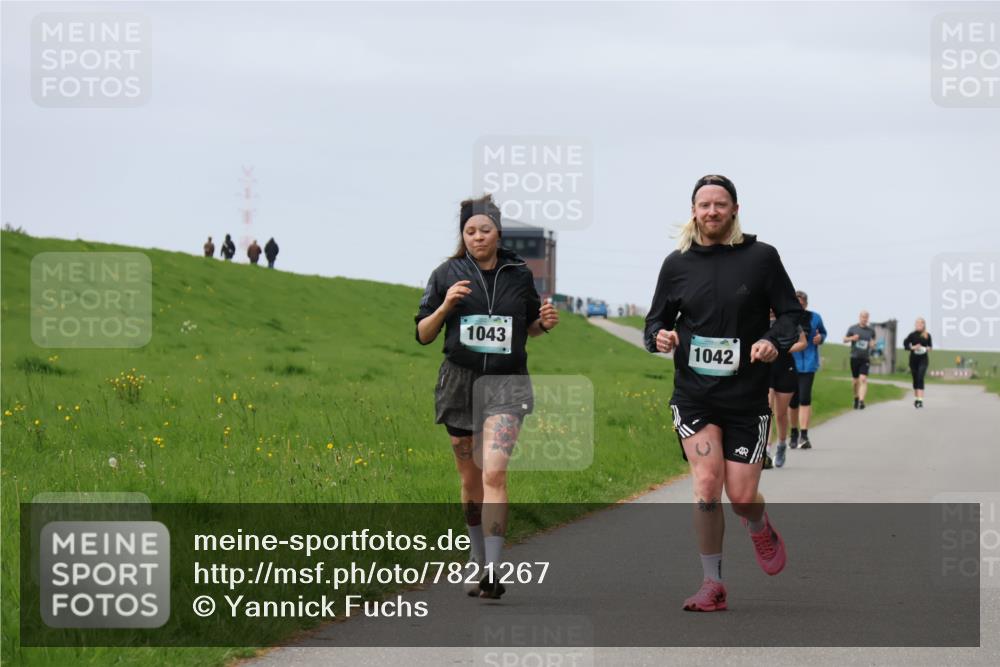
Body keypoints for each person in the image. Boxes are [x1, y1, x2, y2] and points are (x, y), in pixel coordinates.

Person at [644, 174, 800, 612]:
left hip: (747, 398)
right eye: (704, 204)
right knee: (707, 484)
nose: (712, 211)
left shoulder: (762, 257)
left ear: (734, 209)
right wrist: (659, 337)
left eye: (720, 203)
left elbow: (791, 315)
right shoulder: (677, 263)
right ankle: (712, 583)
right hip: (695, 396)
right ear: (694, 211)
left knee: (742, 498)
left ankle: (759, 525)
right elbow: (655, 321)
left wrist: (772, 341)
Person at [415, 194, 559, 600]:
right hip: (459, 384)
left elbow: (528, 327)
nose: (477, 237)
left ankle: (494, 570)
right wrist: (446, 305)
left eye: (485, 229)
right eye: (470, 231)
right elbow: (423, 334)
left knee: (493, 473)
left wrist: (544, 323)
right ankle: (477, 559)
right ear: (462, 235)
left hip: (506, 385)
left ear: (498, 233)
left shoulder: (518, 274)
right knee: (470, 479)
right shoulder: (446, 273)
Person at [767, 309, 807, 468]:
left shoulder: (789, 321)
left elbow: (803, 343)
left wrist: (785, 348)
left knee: (780, 414)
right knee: (766, 410)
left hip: (785, 369)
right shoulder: (757, 317)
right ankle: (766, 450)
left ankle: (781, 445)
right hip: (766, 368)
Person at [788, 290, 827, 449]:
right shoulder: (787, 317)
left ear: (806, 304)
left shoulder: (815, 317)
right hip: (790, 363)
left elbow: (823, 333)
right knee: (792, 401)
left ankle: (804, 435)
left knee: (805, 399)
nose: (800, 306)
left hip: (809, 364)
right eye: (797, 303)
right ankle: (793, 433)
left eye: (802, 303)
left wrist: (820, 338)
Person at [844, 311, 876, 409]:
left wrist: (872, 344)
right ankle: (856, 398)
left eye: (866, 317)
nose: (864, 319)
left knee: (863, 379)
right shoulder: (853, 328)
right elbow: (844, 339)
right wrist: (852, 338)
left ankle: (861, 401)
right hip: (854, 357)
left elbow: (873, 342)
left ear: (868, 318)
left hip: (865, 358)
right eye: (863, 317)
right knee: (855, 381)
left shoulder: (871, 330)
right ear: (859, 317)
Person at [902, 317, 933, 408]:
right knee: (915, 379)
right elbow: (905, 345)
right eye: (917, 323)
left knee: (920, 377)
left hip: (923, 360)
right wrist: (913, 347)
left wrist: (926, 348)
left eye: (921, 323)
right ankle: (916, 399)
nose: (919, 325)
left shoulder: (927, 335)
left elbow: (930, 347)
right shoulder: (912, 335)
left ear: (924, 325)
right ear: (915, 325)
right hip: (913, 360)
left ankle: (920, 401)